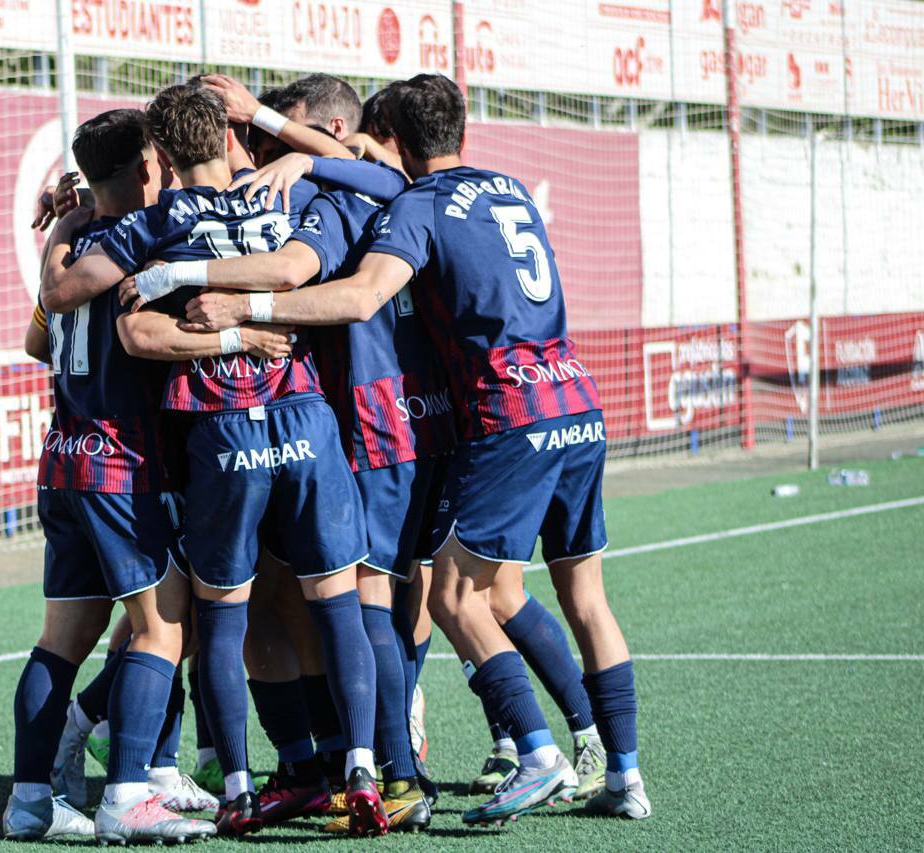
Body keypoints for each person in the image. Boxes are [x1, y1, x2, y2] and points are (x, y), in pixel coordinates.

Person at [166, 73, 650, 827]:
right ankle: (610, 757)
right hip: (536, 403)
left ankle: (436, 764)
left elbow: (347, 291)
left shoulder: (372, 201)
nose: (270, 152)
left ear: (365, 132)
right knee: (500, 592)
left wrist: (238, 300)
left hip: (406, 420)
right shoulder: (501, 187)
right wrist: (323, 150)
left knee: (391, 597)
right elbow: (376, 169)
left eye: (288, 136)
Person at [46, 82, 392, 838]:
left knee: (216, 614)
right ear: (232, 138)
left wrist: (73, 229)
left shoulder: (157, 221)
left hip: (219, 430)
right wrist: (300, 158)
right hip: (304, 419)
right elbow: (320, 242)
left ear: (162, 157)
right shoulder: (281, 196)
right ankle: (363, 767)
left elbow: (74, 297)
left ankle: (235, 782)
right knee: (338, 602)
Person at [20, 108, 223, 845]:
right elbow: (133, 330)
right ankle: (127, 790)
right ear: (144, 167)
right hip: (118, 460)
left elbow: (36, 336)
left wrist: (62, 229)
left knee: (65, 639)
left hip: (66, 456)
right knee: (166, 626)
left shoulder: (76, 246)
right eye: (156, 160)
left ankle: (33, 798)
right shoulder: (140, 236)